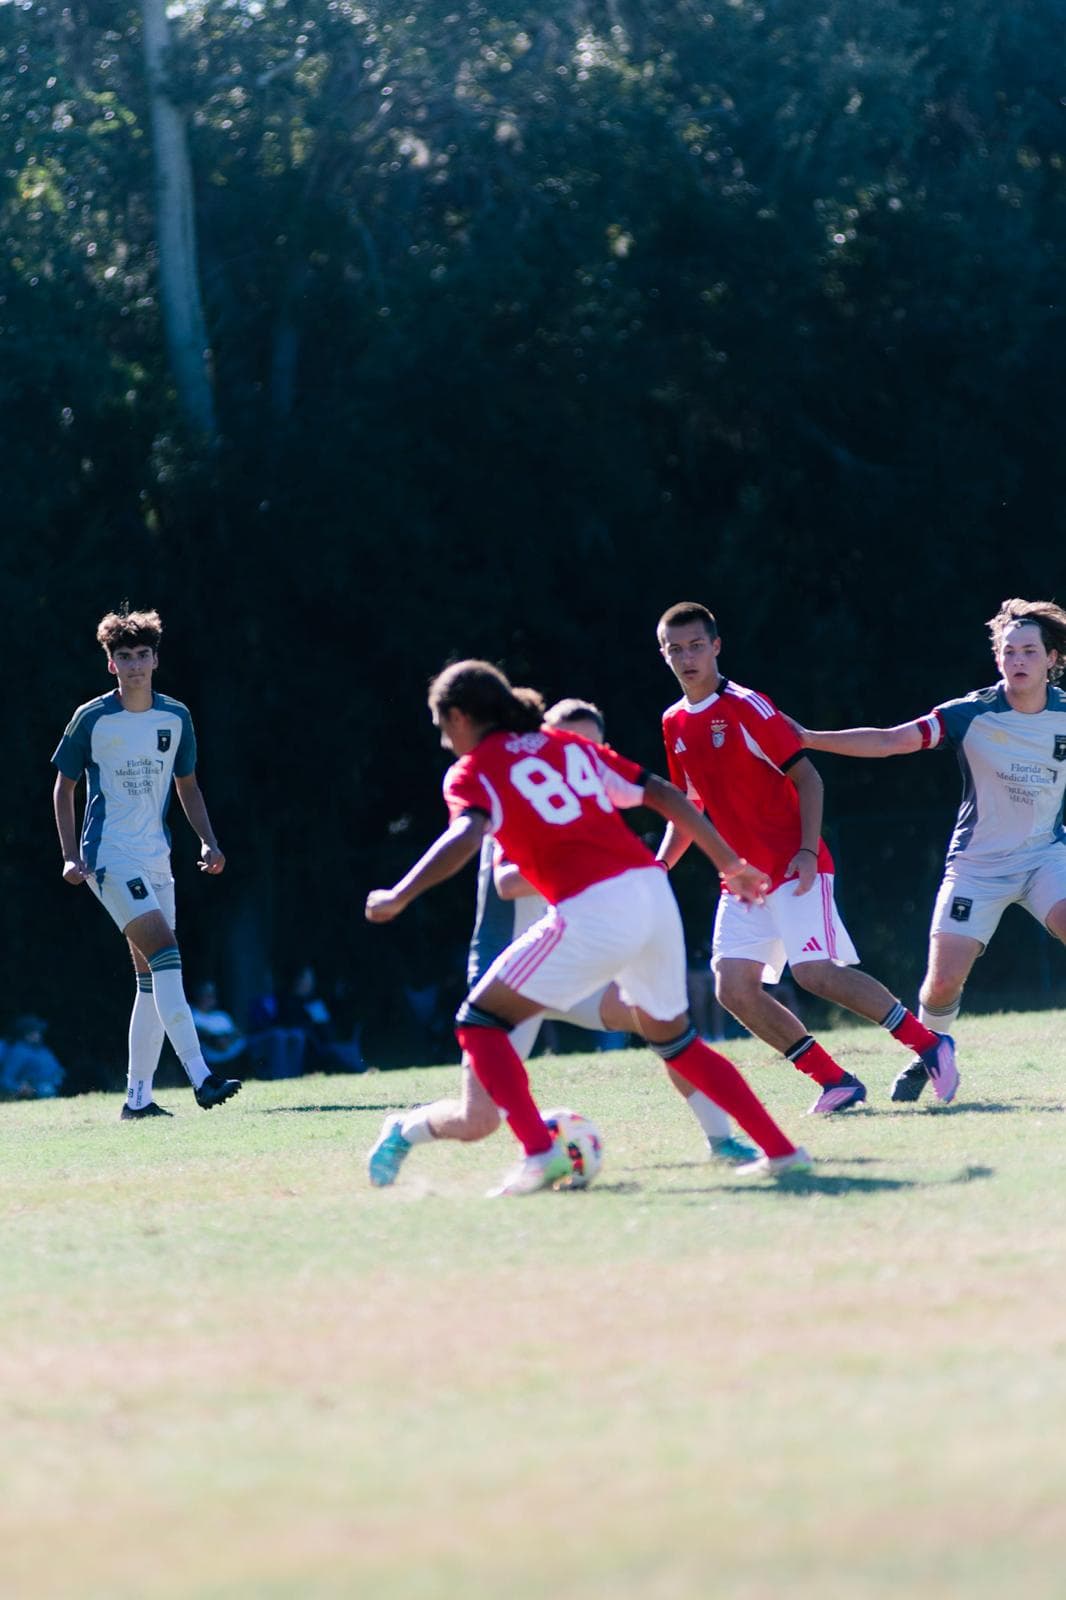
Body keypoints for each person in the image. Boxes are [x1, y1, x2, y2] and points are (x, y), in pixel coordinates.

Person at [366, 659, 811, 1196]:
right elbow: (665, 795)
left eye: (442, 727)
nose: (444, 742)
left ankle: (538, 1154)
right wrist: (728, 863)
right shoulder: (566, 746)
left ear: (460, 716)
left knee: (478, 1022)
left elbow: (465, 837)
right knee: (678, 1042)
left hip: (594, 911)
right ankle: (782, 1152)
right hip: (652, 896)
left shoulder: (473, 771)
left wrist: (400, 894)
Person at [655, 602, 959, 1110]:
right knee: (733, 989)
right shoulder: (673, 722)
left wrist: (803, 852)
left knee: (815, 973)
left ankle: (930, 1045)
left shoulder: (748, 706)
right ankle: (835, 1080)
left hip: (795, 866)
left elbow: (808, 777)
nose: (687, 657)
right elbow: (690, 806)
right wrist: (658, 868)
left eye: (696, 646)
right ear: (663, 654)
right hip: (743, 878)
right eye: (675, 649)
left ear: (716, 647)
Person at [791, 596, 1066, 1100]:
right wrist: (807, 738)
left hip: (1046, 857)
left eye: (1029, 651)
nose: (1018, 660)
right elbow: (891, 740)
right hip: (977, 868)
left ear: (1052, 659)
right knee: (941, 986)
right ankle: (930, 1052)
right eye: (1009, 652)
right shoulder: (970, 714)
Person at [51, 607, 241, 1119]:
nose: (134, 664)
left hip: (158, 858)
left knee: (152, 980)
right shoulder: (92, 717)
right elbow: (63, 786)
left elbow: (189, 787)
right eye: (123, 656)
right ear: (111, 665)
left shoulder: (175, 717)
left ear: (156, 659)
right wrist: (71, 855)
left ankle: (137, 1100)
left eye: (141, 655)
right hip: (109, 857)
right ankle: (202, 1078)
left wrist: (208, 841)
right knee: (168, 956)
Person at [0, 1015, 65, 1099]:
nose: (38, 1034)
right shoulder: (19, 1051)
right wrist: (18, 1087)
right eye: (35, 1031)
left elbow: (58, 1070)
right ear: (25, 1034)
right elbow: (6, 1080)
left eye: (39, 1031)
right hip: (37, 1092)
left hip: (55, 1088)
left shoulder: (43, 1050)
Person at [190, 981, 248, 1074]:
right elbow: (201, 1034)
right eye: (207, 995)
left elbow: (237, 1033)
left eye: (212, 995)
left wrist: (228, 1040)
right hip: (209, 1053)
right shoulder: (193, 1016)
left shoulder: (222, 1016)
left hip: (233, 1051)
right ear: (199, 997)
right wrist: (216, 1040)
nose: (211, 999)